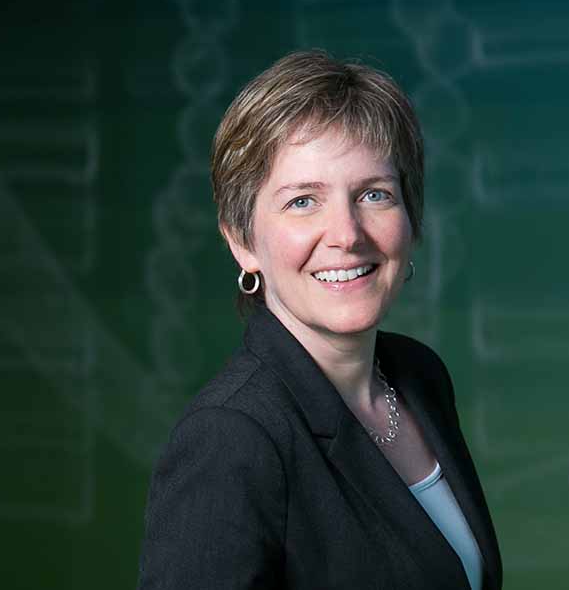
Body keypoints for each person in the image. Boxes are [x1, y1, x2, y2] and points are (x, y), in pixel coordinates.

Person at [137, 50, 502, 590]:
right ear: (242, 242)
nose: (348, 234)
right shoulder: (232, 436)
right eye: (303, 201)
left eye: (373, 194)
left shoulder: (419, 376)